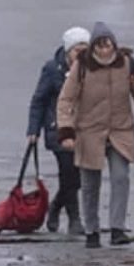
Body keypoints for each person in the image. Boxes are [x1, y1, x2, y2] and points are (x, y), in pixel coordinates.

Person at [57, 22, 134, 248]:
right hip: (89, 131)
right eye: (100, 46)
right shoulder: (82, 66)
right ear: (93, 47)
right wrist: (66, 130)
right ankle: (92, 230)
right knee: (90, 184)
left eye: (108, 45)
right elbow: (66, 99)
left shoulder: (127, 64)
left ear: (114, 44)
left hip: (120, 130)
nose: (104, 50)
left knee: (121, 178)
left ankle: (117, 228)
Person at [27, 26, 89, 235]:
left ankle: (55, 207)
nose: (80, 53)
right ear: (68, 50)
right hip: (58, 130)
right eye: (76, 49)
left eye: (84, 49)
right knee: (67, 173)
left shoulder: (92, 69)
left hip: (84, 130)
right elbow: (39, 100)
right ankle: (75, 219)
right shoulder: (52, 69)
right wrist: (33, 130)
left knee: (76, 177)